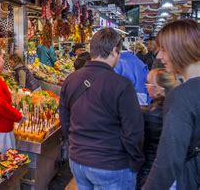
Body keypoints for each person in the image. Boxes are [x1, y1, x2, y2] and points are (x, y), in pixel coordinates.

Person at [60, 28, 144, 189]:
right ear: (114, 51)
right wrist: (136, 160)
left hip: (78, 162)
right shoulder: (122, 85)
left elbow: (64, 119)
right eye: (119, 53)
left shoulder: (71, 79)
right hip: (111, 164)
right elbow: (133, 130)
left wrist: (74, 146)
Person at [142, 19, 200, 190]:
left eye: (164, 50)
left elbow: (168, 160)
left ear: (180, 49)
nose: (159, 56)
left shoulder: (182, 96)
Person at [137, 69, 178, 188]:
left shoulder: (149, 114)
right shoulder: (179, 108)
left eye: (148, 83)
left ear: (159, 88)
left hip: (149, 170)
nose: (146, 86)